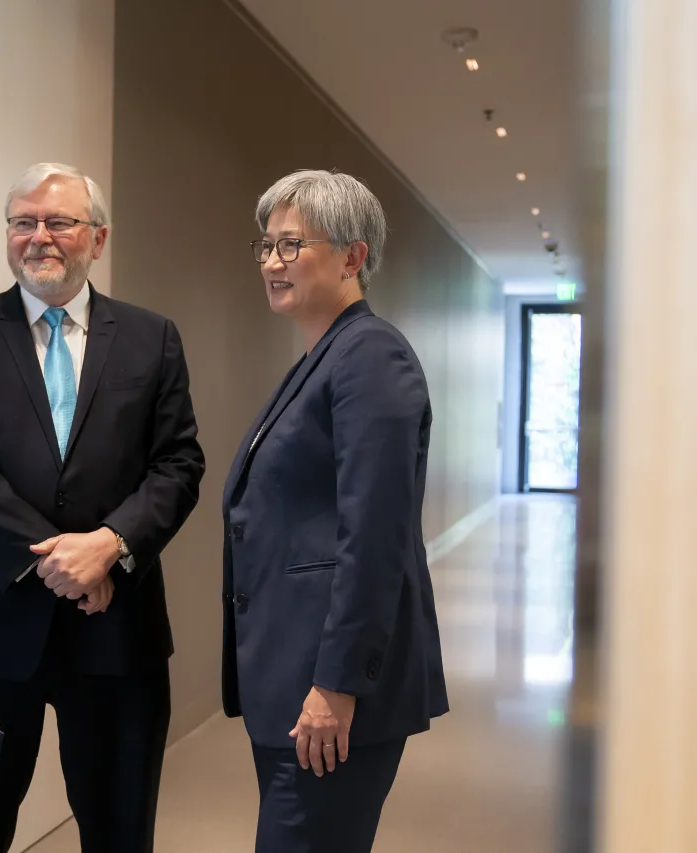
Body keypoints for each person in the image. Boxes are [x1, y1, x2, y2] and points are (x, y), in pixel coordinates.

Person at [0, 162, 205, 853]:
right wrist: (60, 561)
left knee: (119, 832)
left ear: (97, 238)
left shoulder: (151, 337)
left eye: (59, 222)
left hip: (117, 631)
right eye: (23, 222)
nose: (38, 236)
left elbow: (179, 463)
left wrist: (109, 543)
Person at [221, 170, 449, 853]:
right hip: (292, 676)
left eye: (291, 245)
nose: (270, 261)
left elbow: (375, 537)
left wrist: (336, 684)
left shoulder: (371, 357)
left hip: (330, 691)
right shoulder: (325, 357)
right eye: (265, 245)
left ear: (353, 256)